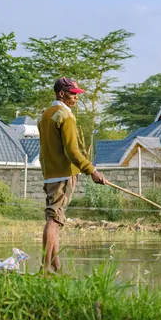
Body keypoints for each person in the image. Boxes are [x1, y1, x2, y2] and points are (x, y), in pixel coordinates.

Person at [37, 76, 106, 274]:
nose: (76, 98)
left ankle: (56, 269)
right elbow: (72, 151)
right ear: (61, 94)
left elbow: (46, 149)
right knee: (54, 220)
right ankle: (45, 269)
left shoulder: (44, 115)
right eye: (73, 94)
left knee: (55, 219)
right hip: (63, 176)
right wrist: (92, 171)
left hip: (50, 175)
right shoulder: (65, 115)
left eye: (77, 95)